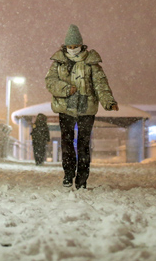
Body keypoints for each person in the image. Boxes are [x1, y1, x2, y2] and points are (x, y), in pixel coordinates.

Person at [44, 24, 118, 189]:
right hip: (65, 108)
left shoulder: (91, 63)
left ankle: (82, 179)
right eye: (69, 46)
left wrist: (108, 102)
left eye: (75, 46)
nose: (72, 49)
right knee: (67, 143)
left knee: (84, 145)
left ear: (81, 45)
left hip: (86, 109)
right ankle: (68, 175)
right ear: (65, 46)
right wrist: (65, 89)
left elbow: (100, 84)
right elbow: (50, 82)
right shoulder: (58, 63)